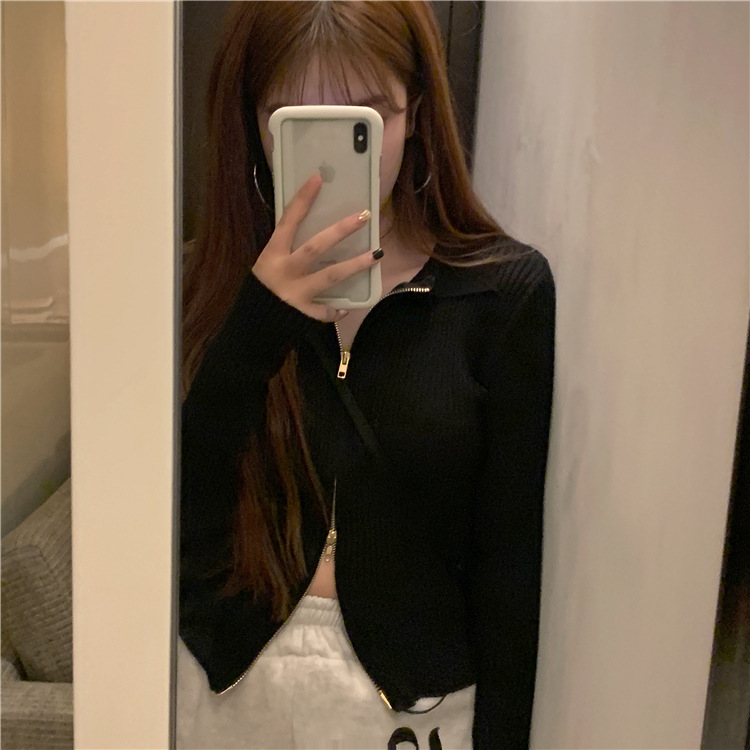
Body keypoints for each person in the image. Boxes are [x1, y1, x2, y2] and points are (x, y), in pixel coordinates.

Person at [177, 2, 555, 748]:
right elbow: (172, 514)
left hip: (414, 707)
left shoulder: (500, 295)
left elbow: (509, 567)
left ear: (417, 114)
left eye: (368, 115)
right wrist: (253, 329)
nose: (333, 153)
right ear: (253, 125)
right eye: (296, 119)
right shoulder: (204, 284)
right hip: (233, 688)